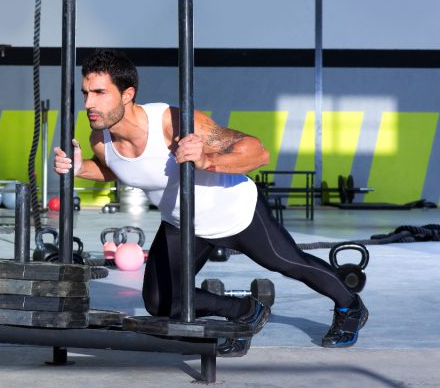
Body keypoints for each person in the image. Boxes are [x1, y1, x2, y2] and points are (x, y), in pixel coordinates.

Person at [53, 49, 368, 349]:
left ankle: (350, 306)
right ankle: (245, 310)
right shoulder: (100, 139)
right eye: (86, 93)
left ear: (127, 94)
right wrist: (80, 168)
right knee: (160, 302)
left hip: (233, 210)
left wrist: (206, 160)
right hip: (182, 223)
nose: (88, 103)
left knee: (290, 263)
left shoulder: (171, 123)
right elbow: (116, 169)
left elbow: (258, 152)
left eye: (99, 92)